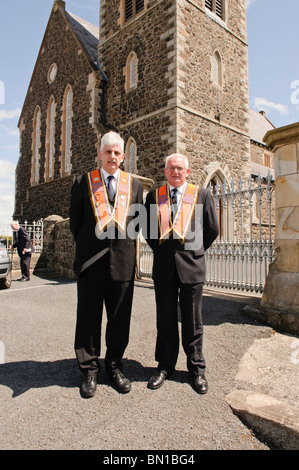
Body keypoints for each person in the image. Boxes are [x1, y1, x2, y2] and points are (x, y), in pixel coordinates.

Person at [70, 131, 143, 398]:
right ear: (100, 154)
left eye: (117, 153)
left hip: (122, 263)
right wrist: (90, 246)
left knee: (119, 319)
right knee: (89, 318)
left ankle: (114, 366)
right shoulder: (83, 182)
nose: (112, 157)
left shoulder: (134, 185)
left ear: (123, 157)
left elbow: (136, 225)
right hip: (91, 262)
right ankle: (89, 370)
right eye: (107, 152)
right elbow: (75, 223)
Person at [144, 154, 219, 394]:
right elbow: (147, 230)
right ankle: (165, 365)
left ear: (187, 172)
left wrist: (195, 251)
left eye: (180, 168)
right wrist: (163, 250)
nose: (176, 172)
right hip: (164, 268)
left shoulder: (202, 195)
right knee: (165, 320)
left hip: (192, 268)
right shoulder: (154, 197)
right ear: (165, 172)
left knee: (193, 321)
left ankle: (196, 369)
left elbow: (212, 229)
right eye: (171, 168)